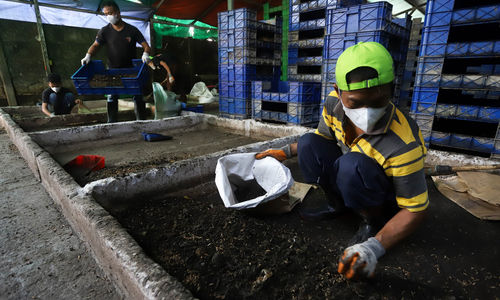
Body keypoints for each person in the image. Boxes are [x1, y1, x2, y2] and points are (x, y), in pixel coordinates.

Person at [255, 42, 428, 280]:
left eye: (378, 102)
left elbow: (415, 209)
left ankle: (372, 222)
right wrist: (284, 152)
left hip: (384, 195)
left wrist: (375, 247)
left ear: (391, 90)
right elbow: (322, 141)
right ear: (338, 91)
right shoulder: (333, 105)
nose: (367, 112)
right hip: (354, 173)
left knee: (352, 165)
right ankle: (336, 204)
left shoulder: (402, 143)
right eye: (355, 103)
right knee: (308, 143)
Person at [80, 0, 151, 122]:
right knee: (112, 97)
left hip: (131, 70)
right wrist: (88, 55)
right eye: (106, 14)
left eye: (110, 13)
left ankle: (141, 121)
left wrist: (145, 54)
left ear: (118, 12)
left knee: (138, 96)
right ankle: (111, 123)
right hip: (113, 70)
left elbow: (146, 46)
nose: (109, 16)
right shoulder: (105, 31)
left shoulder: (132, 30)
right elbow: (95, 45)